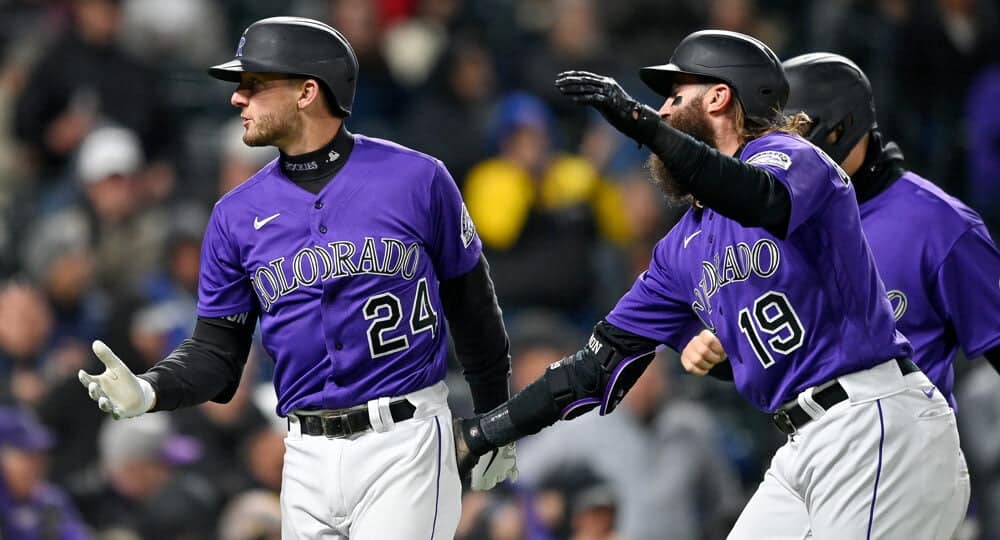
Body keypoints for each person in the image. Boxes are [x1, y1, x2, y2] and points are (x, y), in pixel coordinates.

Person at [453, 30, 970, 538]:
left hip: (875, 420)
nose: (661, 111)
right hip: (802, 442)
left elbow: (761, 199)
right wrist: (485, 432)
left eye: (675, 97)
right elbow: (595, 367)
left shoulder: (790, 156)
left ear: (720, 97)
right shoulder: (681, 248)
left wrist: (638, 124)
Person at [77, 16, 516, 539]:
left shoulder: (417, 179)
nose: (238, 98)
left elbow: (472, 306)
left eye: (255, 84)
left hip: (404, 440)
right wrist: (151, 390)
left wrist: (495, 418)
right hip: (303, 454)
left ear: (309, 91)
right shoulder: (234, 215)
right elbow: (218, 354)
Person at [679, 53, 1000, 407]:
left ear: (840, 129)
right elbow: (778, 345)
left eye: (794, 133)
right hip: (809, 443)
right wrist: (724, 350)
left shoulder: (938, 223)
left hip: (906, 444)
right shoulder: (768, 218)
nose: (779, 150)